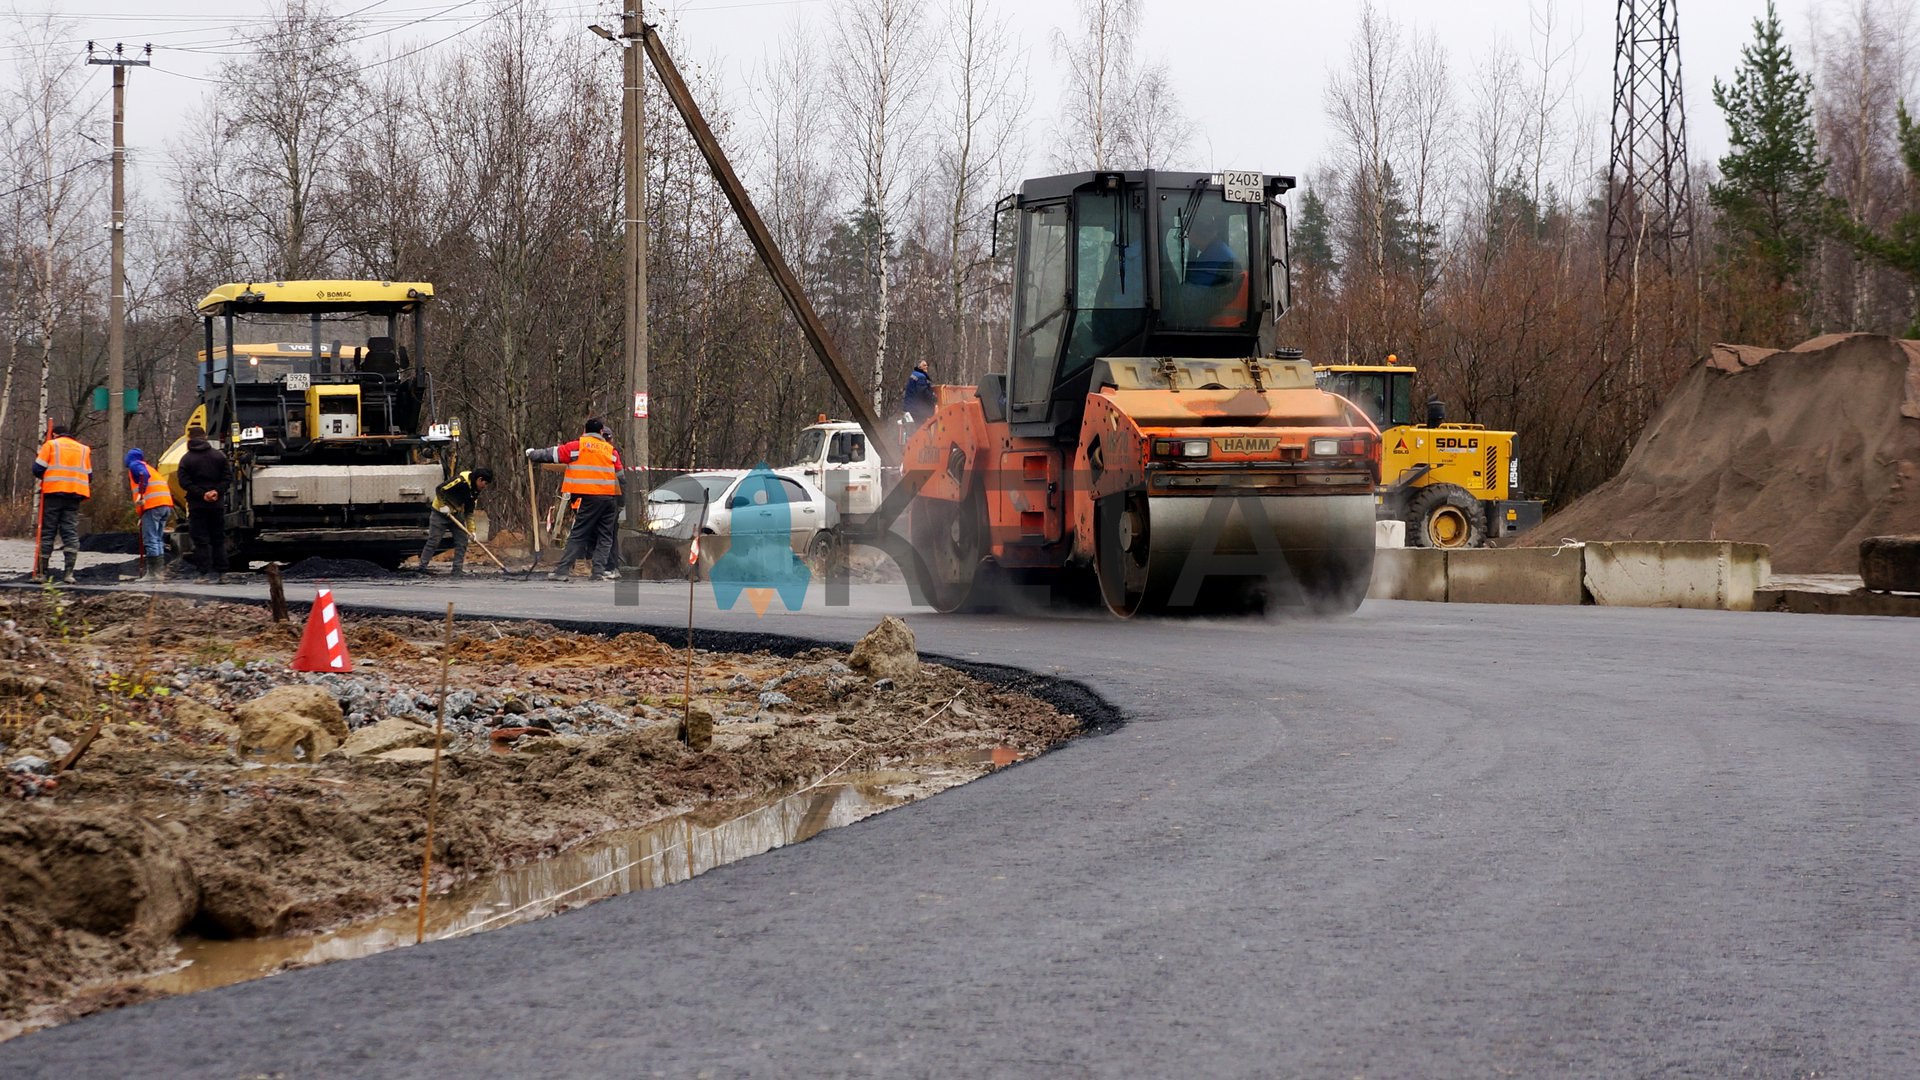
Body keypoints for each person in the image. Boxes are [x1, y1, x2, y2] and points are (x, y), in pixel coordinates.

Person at [527, 418, 623, 582]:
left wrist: (532, 454)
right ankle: (598, 572)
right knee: (605, 537)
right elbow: (621, 477)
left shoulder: (578, 446)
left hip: (589, 499)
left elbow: (552, 454)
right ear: (601, 432)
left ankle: (562, 570)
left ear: (585, 431)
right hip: (609, 499)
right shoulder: (611, 451)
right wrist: (621, 502)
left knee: (579, 534)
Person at [32, 424, 91, 585]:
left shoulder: (51, 445)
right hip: (75, 495)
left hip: (53, 494)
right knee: (70, 532)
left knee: (48, 532)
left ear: (55, 434)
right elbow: (89, 476)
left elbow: (37, 469)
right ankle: (69, 574)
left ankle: (42, 574)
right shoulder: (84, 449)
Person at [177, 425, 231, 583]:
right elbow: (227, 478)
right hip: (217, 504)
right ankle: (222, 574)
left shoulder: (186, 459)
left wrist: (202, 494)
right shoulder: (218, 456)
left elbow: (184, 482)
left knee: (201, 540)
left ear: (190, 439)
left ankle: (203, 574)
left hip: (197, 505)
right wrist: (216, 491)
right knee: (218, 539)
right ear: (205, 437)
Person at [417, 467, 493, 576]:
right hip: (440, 513)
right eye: (485, 484)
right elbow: (439, 489)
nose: (485, 487)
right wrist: (443, 506)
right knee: (434, 541)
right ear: (479, 479)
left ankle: (457, 569)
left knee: (462, 541)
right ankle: (422, 568)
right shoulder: (460, 481)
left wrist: (472, 531)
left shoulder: (475, 491)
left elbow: (469, 512)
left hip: (456, 514)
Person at [125, 448, 174, 583]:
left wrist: (141, 493)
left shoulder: (135, 465)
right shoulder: (151, 468)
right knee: (157, 539)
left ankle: (153, 574)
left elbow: (143, 475)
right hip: (164, 505)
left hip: (153, 506)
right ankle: (158, 572)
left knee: (150, 539)